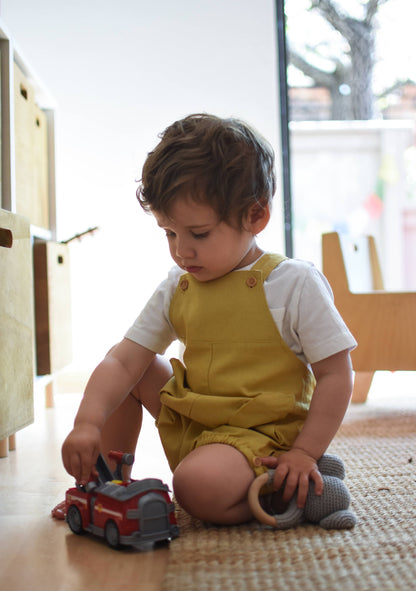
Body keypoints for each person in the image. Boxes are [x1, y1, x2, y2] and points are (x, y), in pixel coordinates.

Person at [61, 113, 356, 525]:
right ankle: (109, 488)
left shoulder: (293, 283)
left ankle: (288, 482)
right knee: (131, 367)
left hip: (263, 432)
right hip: (196, 418)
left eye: (198, 234)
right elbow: (123, 360)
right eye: (169, 233)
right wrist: (86, 422)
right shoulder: (177, 284)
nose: (182, 251)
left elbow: (336, 374)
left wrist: (304, 450)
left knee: (195, 488)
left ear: (255, 217)